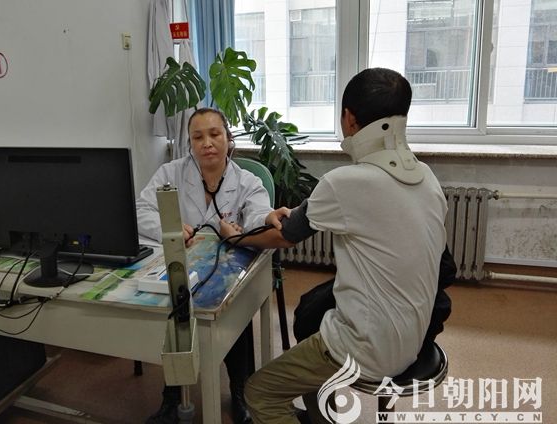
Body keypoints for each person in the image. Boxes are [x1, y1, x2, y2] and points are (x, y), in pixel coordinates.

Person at [219, 68, 448, 423]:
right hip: (413, 336)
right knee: (310, 315)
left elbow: (285, 235)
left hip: (367, 348)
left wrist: (231, 236)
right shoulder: (428, 179)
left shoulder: (346, 182)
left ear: (349, 119)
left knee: (259, 392)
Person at [136, 107, 273, 424]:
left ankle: (240, 392)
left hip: (229, 267)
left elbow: (258, 215)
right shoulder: (171, 173)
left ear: (228, 138)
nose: (207, 143)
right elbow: (142, 209)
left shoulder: (247, 181)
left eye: (214, 134)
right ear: (190, 143)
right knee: (175, 307)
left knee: (234, 307)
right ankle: (172, 398)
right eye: (197, 137)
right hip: (182, 264)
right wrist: (170, 228)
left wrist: (246, 229)